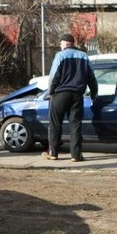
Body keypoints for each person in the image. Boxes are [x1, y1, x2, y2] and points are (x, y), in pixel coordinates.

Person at [43, 33, 98, 162]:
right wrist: (94, 93)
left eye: (61, 43)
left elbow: (54, 76)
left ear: (65, 44)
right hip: (77, 96)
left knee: (55, 124)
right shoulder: (84, 56)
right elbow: (91, 77)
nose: (60, 46)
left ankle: (53, 153)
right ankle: (76, 155)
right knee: (75, 125)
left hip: (60, 94)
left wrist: (51, 92)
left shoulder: (60, 55)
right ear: (73, 44)